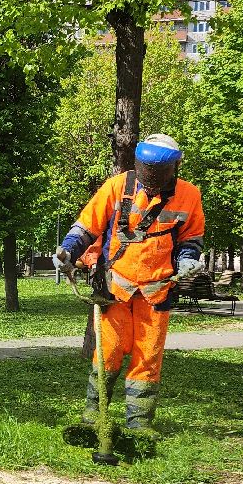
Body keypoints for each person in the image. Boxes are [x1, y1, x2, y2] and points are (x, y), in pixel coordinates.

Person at [53, 134, 204, 434]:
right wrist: (68, 251)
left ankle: (139, 426)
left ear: (174, 168)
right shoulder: (117, 187)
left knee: (147, 360)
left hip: (157, 291)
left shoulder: (189, 195)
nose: (152, 178)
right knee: (107, 355)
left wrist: (189, 258)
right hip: (116, 290)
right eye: (148, 170)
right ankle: (94, 419)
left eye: (158, 172)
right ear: (138, 164)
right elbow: (87, 226)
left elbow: (191, 237)